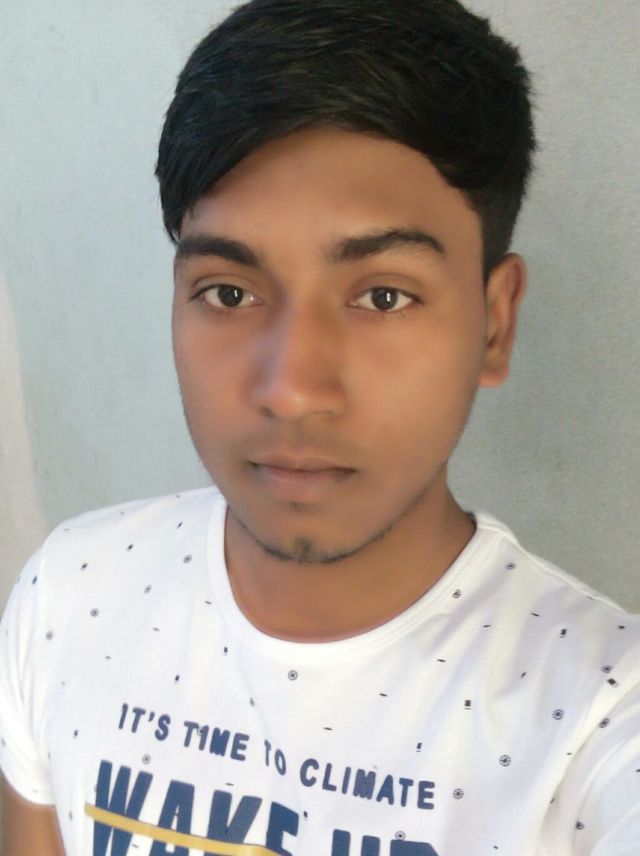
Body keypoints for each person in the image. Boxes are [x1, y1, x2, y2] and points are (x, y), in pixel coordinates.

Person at [1, 0, 639, 853]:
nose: (293, 391)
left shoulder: (598, 719)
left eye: (384, 296)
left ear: (494, 323)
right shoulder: (71, 595)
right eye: (229, 292)